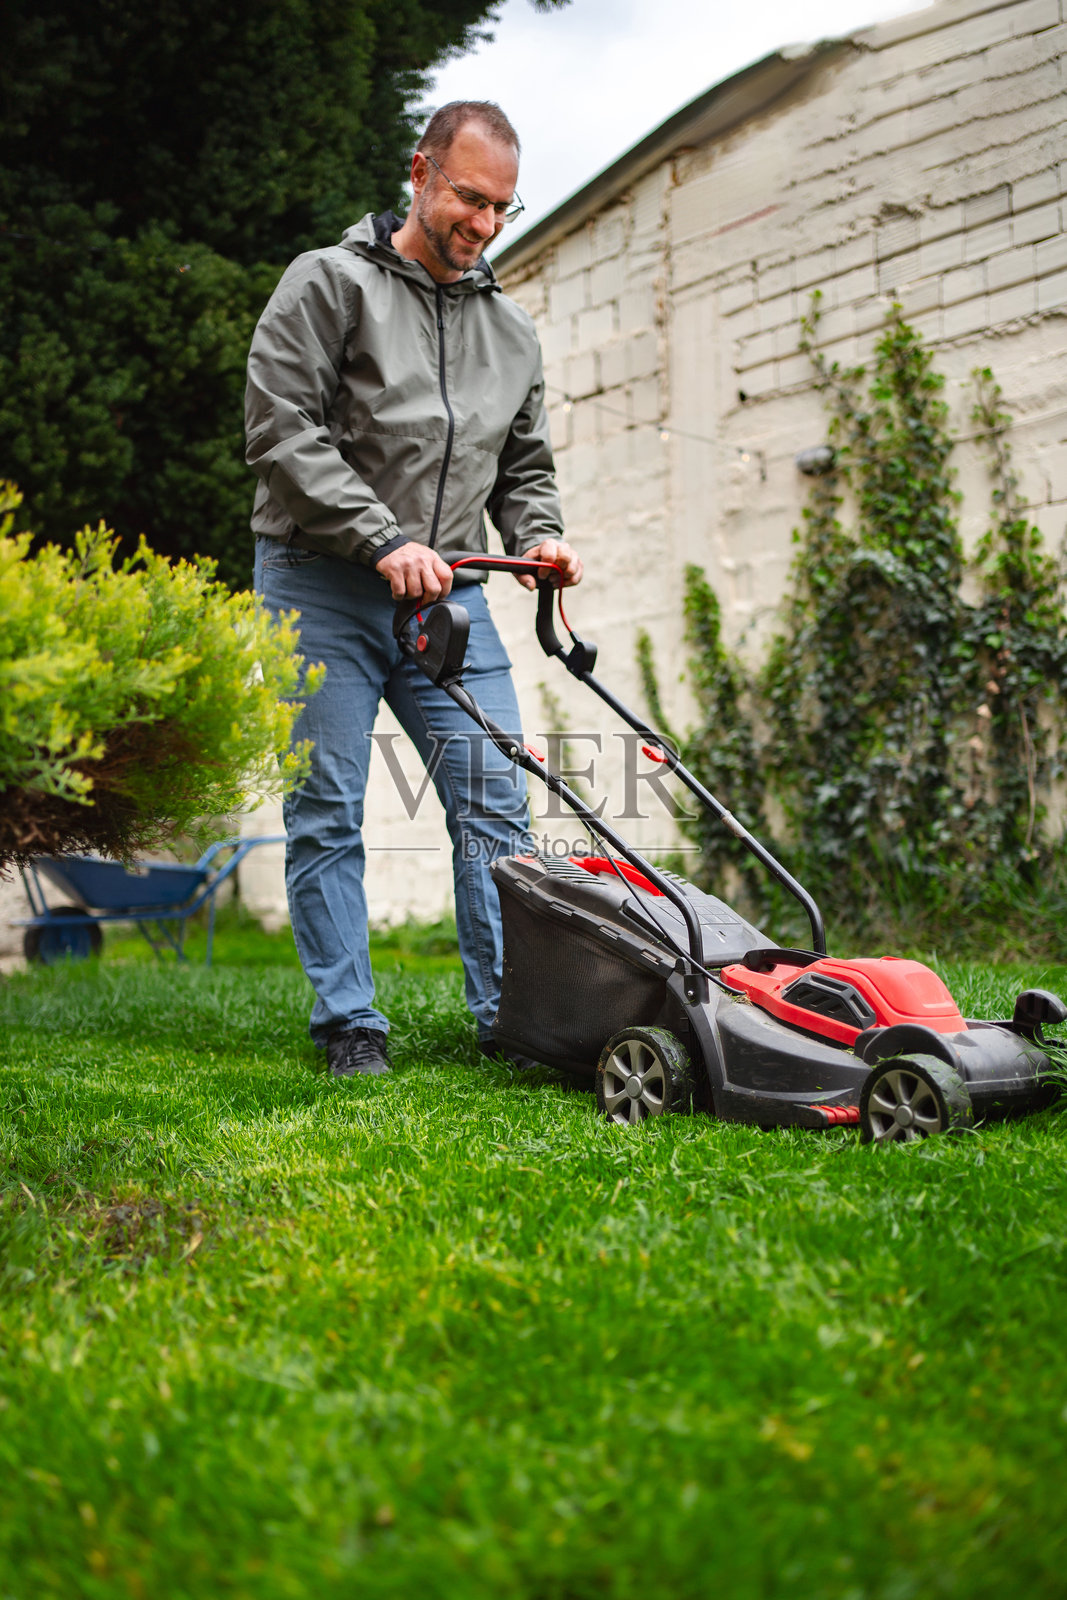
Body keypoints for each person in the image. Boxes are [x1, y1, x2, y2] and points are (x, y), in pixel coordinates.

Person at [246, 101, 581, 1078]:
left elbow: (523, 466)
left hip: (451, 598)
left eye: (502, 208)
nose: (483, 223)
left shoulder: (509, 331)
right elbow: (280, 431)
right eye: (469, 198)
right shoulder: (328, 283)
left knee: (494, 803)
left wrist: (539, 536)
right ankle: (349, 1022)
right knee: (326, 806)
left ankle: (508, 1018)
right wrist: (381, 537)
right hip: (321, 581)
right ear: (420, 174)